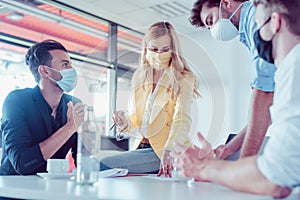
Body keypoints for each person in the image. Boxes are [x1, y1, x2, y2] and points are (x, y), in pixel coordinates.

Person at [176, 0, 300, 197]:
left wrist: (206, 168)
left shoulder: (293, 67)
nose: (257, 36)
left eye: (259, 27)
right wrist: (226, 151)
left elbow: (275, 179)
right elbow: (265, 108)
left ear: (275, 22)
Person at [100, 22, 200, 177]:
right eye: (154, 49)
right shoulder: (141, 77)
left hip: (164, 151)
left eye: (165, 50)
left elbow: (181, 119)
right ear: (145, 49)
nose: (159, 54)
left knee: (102, 166)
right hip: (141, 146)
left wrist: (169, 149)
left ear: (173, 50)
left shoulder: (183, 78)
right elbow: (138, 119)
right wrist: (125, 123)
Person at [190, 0, 276, 159]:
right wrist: (229, 149)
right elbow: (267, 108)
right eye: (209, 28)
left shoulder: (255, 17)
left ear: (226, 3)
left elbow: (264, 94)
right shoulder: (251, 30)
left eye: (211, 20)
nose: (214, 30)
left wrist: (243, 163)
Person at [0, 39, 84, 175]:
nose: (72, 70)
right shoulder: (17, 101)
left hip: (51, 188)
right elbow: (22, 164)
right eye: (65, 64)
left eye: (71, 65)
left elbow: (83, 160)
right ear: (45, 71)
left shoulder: (73, 104)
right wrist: (69, 128)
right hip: (13, 188)